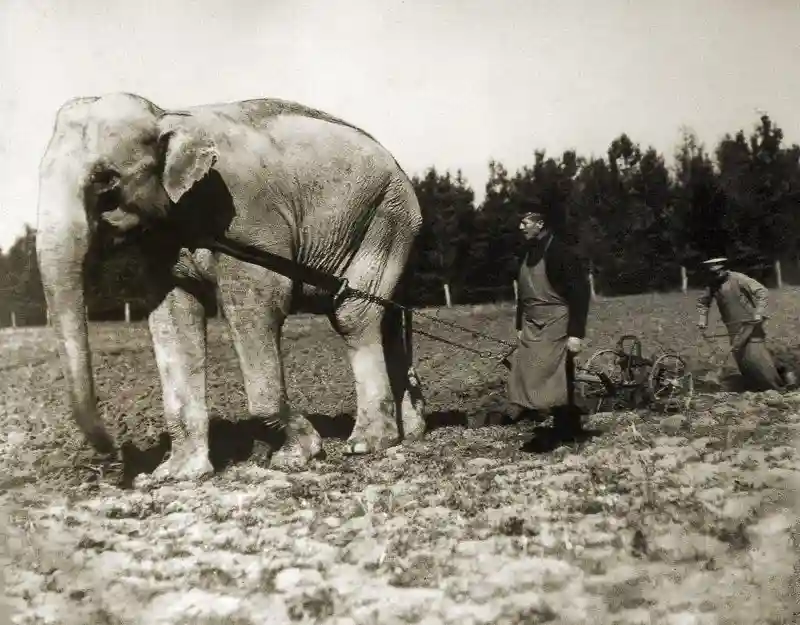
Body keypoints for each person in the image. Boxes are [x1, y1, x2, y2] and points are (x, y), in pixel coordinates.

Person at [507, 210, 591, 442]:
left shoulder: (561, 253)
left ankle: (567, 427)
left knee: (555, 372)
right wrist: (519, 324)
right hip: (532, 323)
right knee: (527, 369)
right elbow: (523, 295)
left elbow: (580, 293)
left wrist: (575, 333)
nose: (521, 228)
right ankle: (555, 418)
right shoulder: (527, 253)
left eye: (525, 223)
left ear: (540, 223)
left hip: (556, 321)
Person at [696, 257, 795, 391]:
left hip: (751, 323)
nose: (716, 274)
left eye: (719, 271)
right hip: (733, 326)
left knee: (755, 355)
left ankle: (778, 384)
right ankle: (771, 378)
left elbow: (762, 291)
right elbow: (703, 302)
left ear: (725, 268)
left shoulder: (739, 279)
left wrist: (759, 311)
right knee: (743, 358)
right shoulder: (713, 284)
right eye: (713, 272)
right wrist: (703, 319)